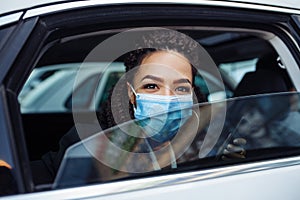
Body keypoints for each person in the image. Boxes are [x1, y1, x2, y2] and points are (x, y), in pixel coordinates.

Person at [32, 29, 206, 185]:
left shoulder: (206, 142)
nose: (168, 99)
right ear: (131, 93)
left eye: (181, 88)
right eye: (151, 86)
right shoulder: (91, 141)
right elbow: (43, 177)